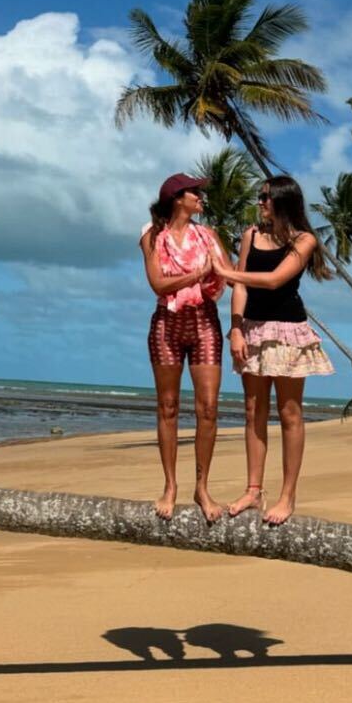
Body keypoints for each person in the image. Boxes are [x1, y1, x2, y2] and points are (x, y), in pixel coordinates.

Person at [212, 173, 335, 525]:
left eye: (266, 197)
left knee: (290, 412)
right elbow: (242, 287)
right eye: (259, 195)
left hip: (287, 330)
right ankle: (253, 489)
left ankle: (287, 496)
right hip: (251, 329)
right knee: (253, 411)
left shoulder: (305, 239)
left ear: (283, 200)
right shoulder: (250, 234)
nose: (260, 202)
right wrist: (235, 330)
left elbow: (274, 280)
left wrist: (226, 272)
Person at [140, 172, 229, 522]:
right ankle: (170, 486)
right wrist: (196, 275)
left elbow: (226, 272)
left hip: (205, 319)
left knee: (208, 408)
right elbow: (158, 285)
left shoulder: (208, 236)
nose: (201, 199)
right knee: (168, 407)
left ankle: (202, 487)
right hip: (167, 322)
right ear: (179, 198)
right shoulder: (152, 238)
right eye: (196, 193)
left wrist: (215, 273)